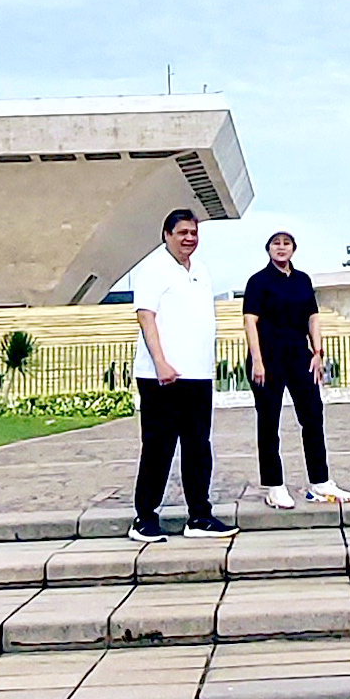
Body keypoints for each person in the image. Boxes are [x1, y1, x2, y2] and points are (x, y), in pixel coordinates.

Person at [127, 207, 233, 542]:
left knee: (198, 446)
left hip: (197, 376)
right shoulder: (153, 268)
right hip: (163, 375)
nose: (189, 239)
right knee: (158, 447)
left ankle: (199, 515)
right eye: (182, 233)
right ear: (167, 235)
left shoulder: (200, 270)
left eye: (193, 233)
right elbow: (146, 316)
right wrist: (160, 361)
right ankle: (144, 517)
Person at [242, 230, 350, 508]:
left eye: (286, 243)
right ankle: (275, 485)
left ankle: (320, 482)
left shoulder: (303, 280)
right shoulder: (258, 281)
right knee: (269, 421)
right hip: (267, 358)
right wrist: (257, 359)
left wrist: (318, 352)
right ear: (268, 248)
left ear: (293, 249)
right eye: (276, 243)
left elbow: (313, 318)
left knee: (313, 415)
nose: (281, 248)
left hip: (299, 356)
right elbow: (250, 321)